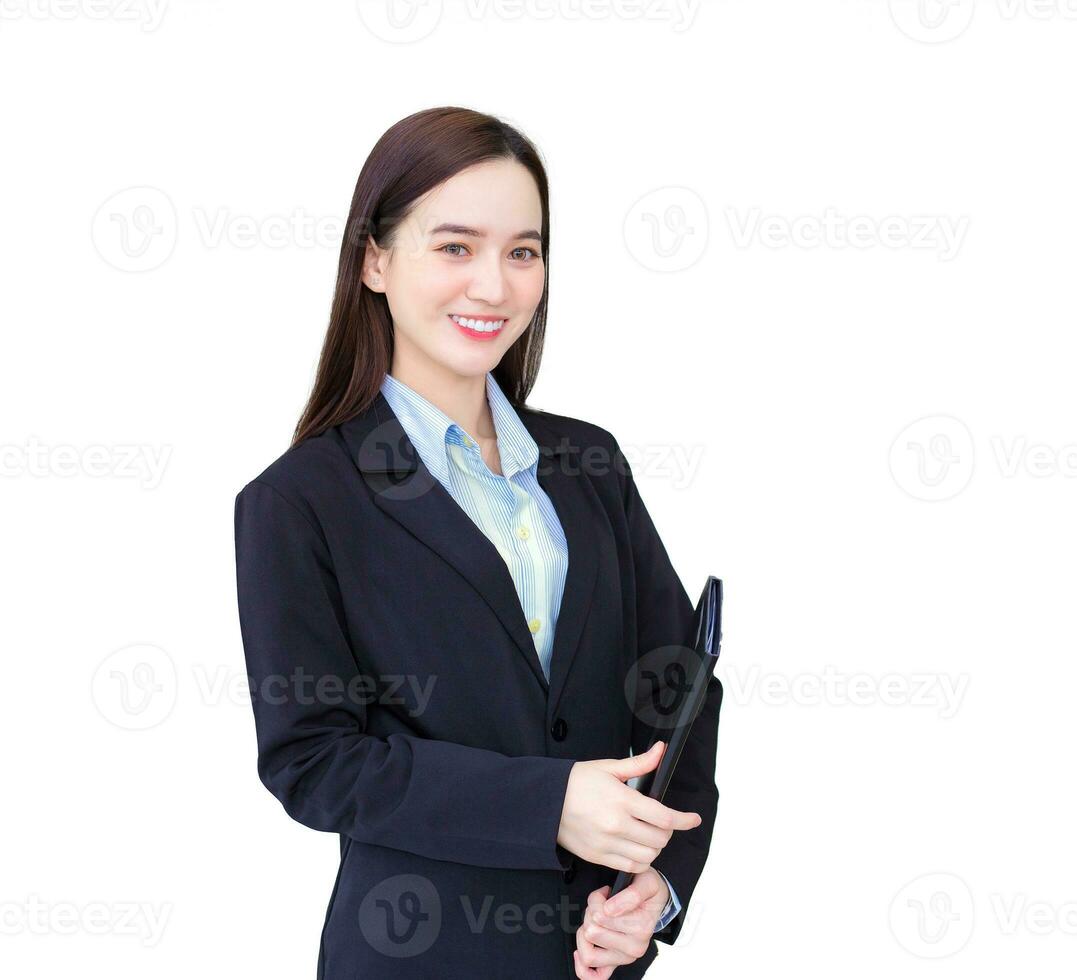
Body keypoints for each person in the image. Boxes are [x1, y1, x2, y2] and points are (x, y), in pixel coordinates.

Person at [232, 106, 720, 979]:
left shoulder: (588, 463)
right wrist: (550, 804)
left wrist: (659, 881)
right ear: (375, 260)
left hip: (595, 958)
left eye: (522, 251)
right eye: (455, 247)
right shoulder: (300, 501)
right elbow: (314, 762)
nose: (494, 286)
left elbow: (679, 686)